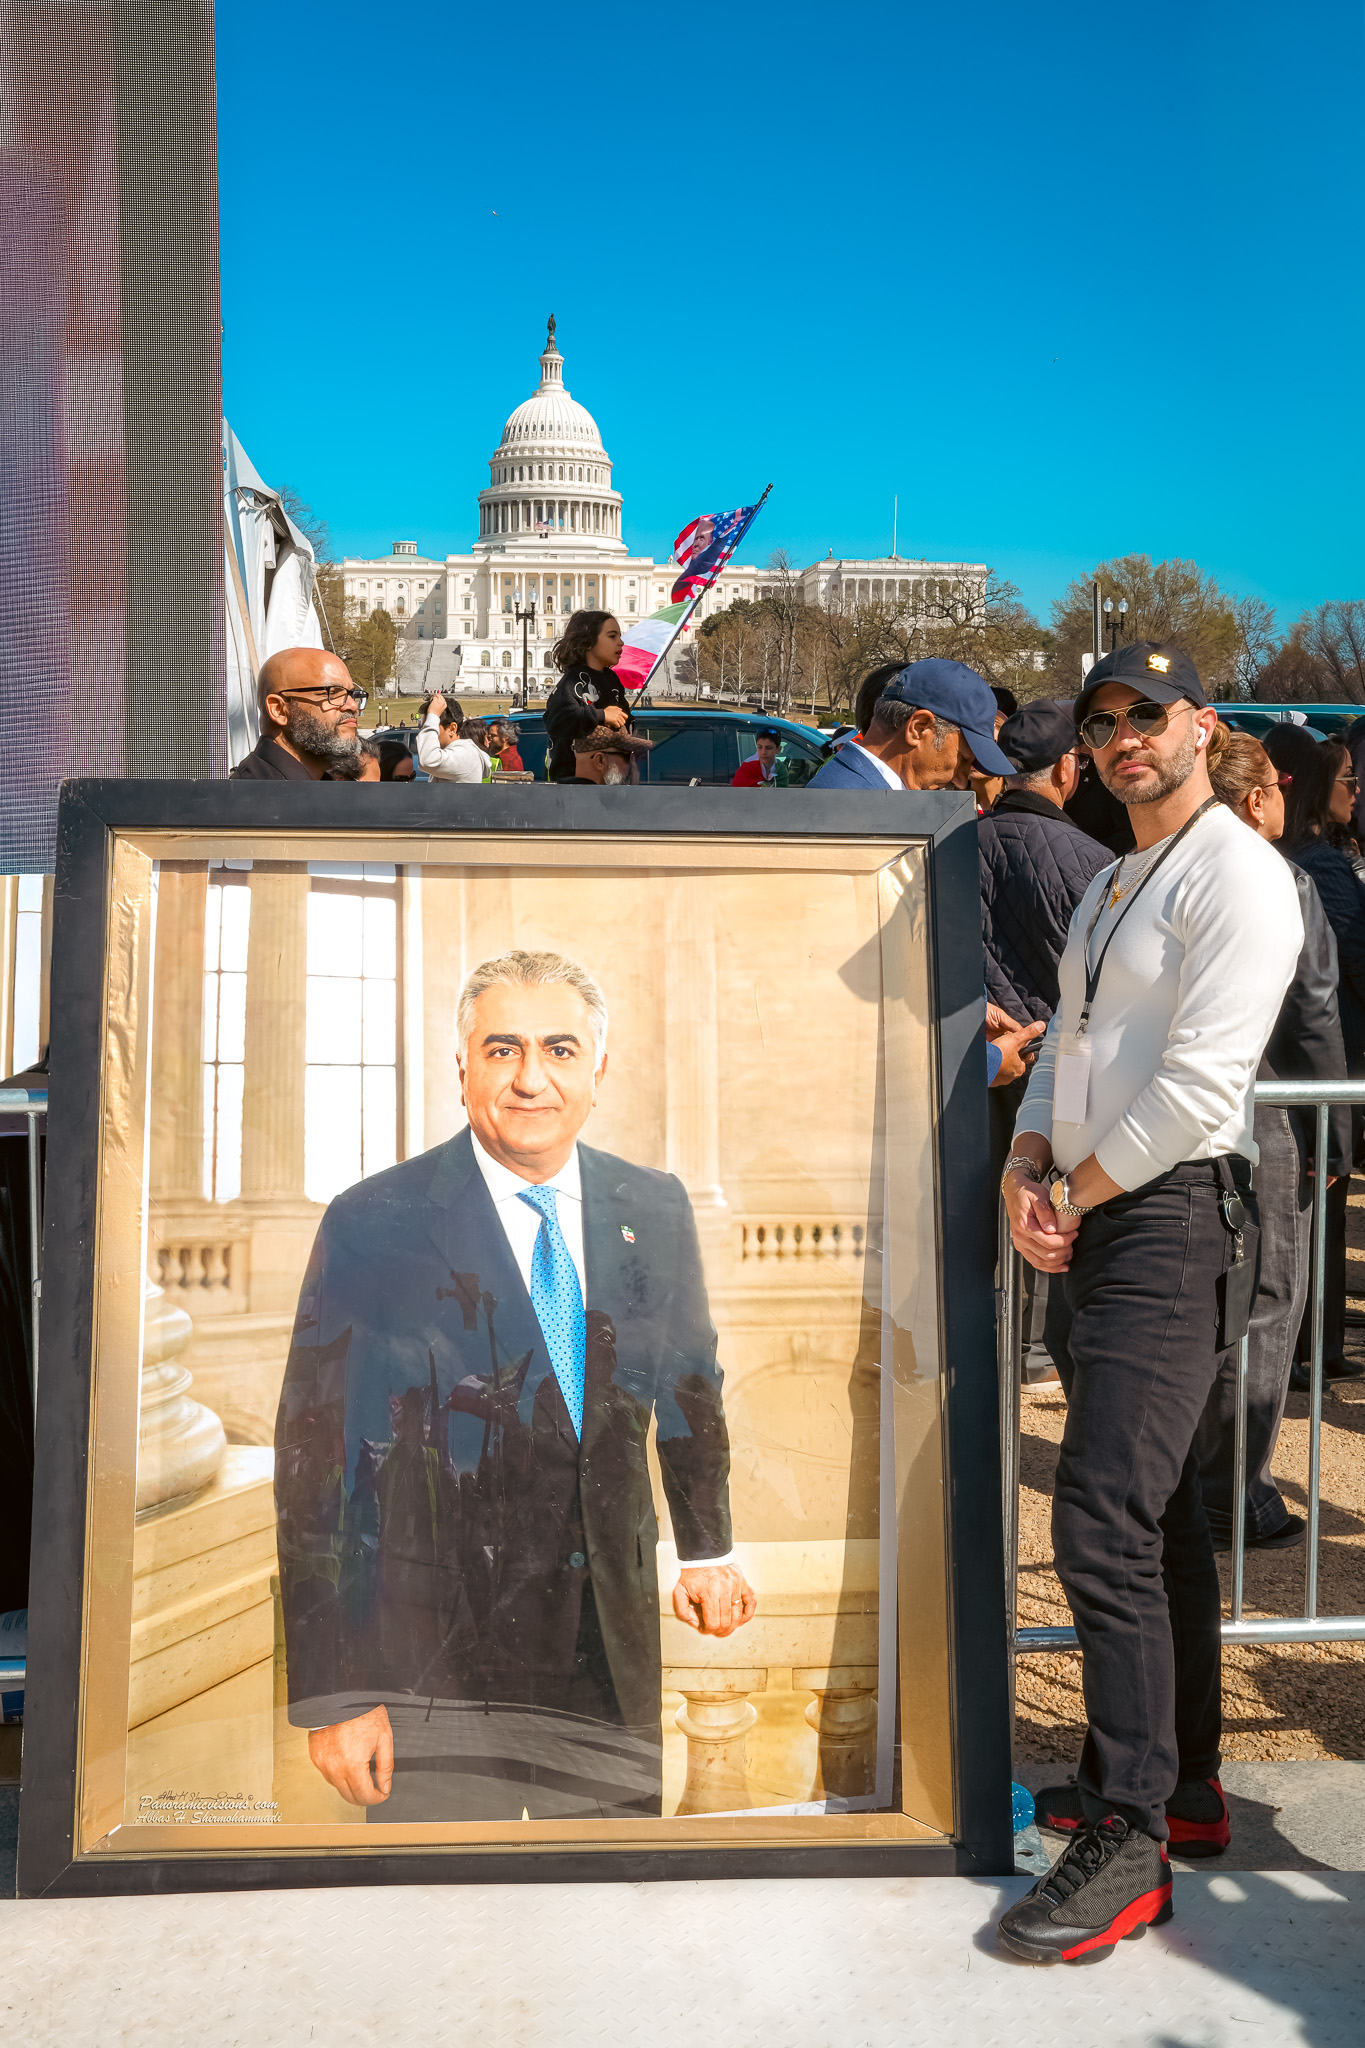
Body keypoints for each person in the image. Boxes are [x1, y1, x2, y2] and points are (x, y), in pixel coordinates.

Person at [276, 950, 753, 1823]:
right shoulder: (370, 1226)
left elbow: (689, 1380)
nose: (532, 1078)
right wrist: (337, 1695)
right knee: (453, 1939)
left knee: (608, 1923)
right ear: (461, 1068)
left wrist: (707, 1548)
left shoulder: (654, 1206)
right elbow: (318, 1462)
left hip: (607, 1649)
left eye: (560, 1051)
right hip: (438, 1671)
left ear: (598, 1071)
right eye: (502, 1051)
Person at [996, 643, 1301, 1964]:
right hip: (1106, 1204)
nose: (1123, 738)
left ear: (1199, 727)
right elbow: (1069, 1037)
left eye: (1147, 717)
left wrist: (1074, 1189)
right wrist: (1026, 1162)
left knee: (1101, 1514)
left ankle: (1127, 1831)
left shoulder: (1241, 872)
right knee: (1160, 1509)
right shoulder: (1115, 875)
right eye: (1103, 721)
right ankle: (1177, 1786)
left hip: (1167, 1213)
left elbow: (1196, 1086)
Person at [1192, 726, 1350, 1551]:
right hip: (1262, 1109)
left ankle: (1195, 1481)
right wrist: (1335, 1127)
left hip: (1178, 1113)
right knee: (1264, 1300)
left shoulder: (1162, 867)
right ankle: (1236, 1493)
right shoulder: (1279, 878)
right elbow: (1312, 1007)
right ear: (1258, 798)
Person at [979, 699, 1111, 1378]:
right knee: (1048, 1213)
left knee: (989, 1203)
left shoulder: (957, 844)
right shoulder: (1095, 862)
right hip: (1057, 1069)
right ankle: (1035, 1342)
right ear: (1067, 766)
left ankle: (995, 1335)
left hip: (980, 1060)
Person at [1263, 726, 1365, 1384]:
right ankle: (1313, 1343)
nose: (1353, 792)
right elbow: (1337, 973)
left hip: (1299, 1059)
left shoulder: (1300, 857)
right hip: (1326, 1056)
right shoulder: (1316, 866)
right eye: (1345, 778)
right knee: (1317, 1201)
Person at [805, 659, 1014, 793]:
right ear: (918, 728)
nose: (960, 780)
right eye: (963, 759)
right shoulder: (850, 806)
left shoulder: (857, 794)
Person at [229, 648, 364, 781]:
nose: (352, 706)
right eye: (333, 693)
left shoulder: (320, 787)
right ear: (279, 710)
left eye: (351, 694)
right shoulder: (251, 796)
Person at [544, 612, 632, 782]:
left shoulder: (612, 679)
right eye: (612, 636)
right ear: (588, 642)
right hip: (575, 781)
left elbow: (624, 717)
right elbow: (556, 721)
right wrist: (602, 716)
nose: (620, 643)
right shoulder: (573, 680)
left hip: (610, 776)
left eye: (620, 636)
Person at [416, 692, 488, 784]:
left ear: (452, 729)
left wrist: (433, 716)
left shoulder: (466, 754)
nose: (428, 732)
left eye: (433, 726)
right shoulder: (452, 752)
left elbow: (427, 760)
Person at [566, 726, 653, 785]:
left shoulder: (563, 797)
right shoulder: (598, 804)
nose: (632, 763)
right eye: (627, 757)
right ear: (600, 761)